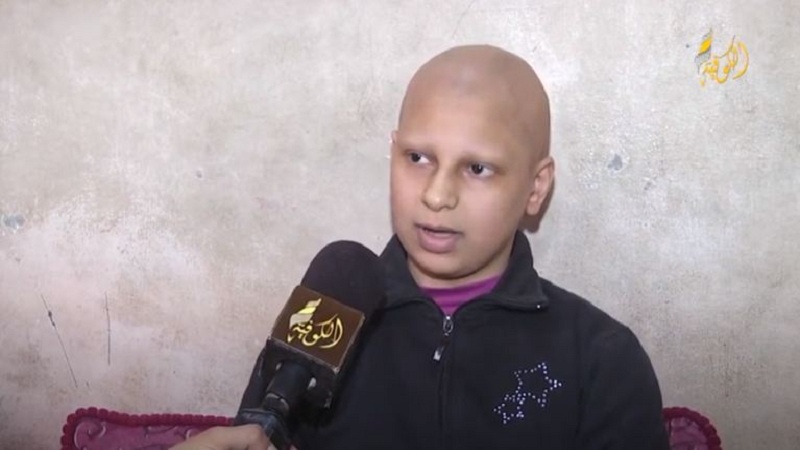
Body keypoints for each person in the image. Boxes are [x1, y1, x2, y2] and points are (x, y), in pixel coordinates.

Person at [175, 44, 670, 450]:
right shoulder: (323, 317)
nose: (436, 195)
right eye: (417, 157)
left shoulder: (602, 360)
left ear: (535, 187)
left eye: (477, 168)